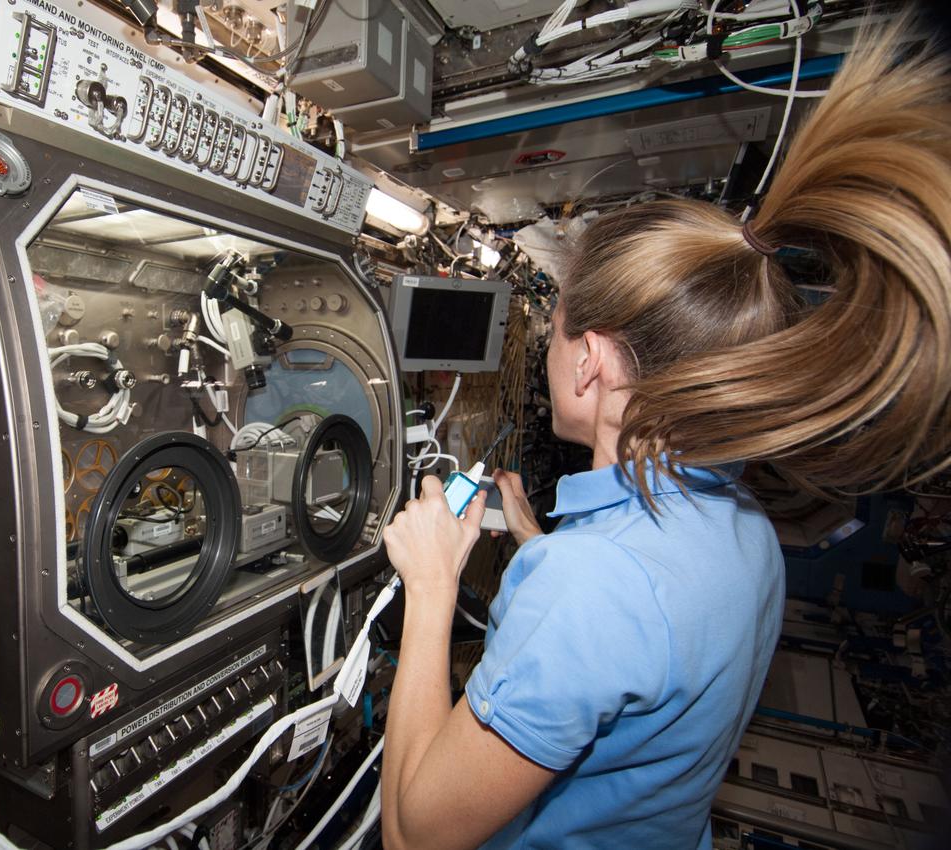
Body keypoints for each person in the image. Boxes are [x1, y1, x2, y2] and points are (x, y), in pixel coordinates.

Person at [379, 17, 951, 850]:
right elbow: (632, 624)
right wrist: (537, 541)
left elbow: (416, 835)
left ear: (592, 364)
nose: (547, 353)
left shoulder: (595, 589)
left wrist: (431, 588)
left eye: (556, 331)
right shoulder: (741, 527)